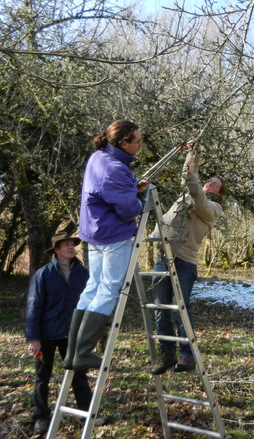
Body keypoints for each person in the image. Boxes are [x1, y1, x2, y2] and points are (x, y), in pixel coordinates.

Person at [64, 120, 147, 372]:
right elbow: (127, 208)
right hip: (113, 235)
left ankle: (72, 353)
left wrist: (131, 187)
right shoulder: (115, 168)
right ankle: (84, 352)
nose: (140, 145)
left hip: (95, 233)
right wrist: (141, 203)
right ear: (124, 143)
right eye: (137, 141)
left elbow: (108, 191)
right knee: (109, 290)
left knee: (92, 288)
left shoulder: (98, 158)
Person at [150, 144, 225, 374]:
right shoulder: (186, 196)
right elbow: (188, 176)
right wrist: (194, 153)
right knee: (160, 309)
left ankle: (186, 355)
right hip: (162, 259)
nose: (209, 183)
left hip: (183, 263)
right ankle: (167, 354)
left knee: (182, 309)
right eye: (208, 180)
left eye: (215, 183)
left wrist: (194, 172)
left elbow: (197, 193)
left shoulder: (212, 208)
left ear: (219, 193)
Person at [25, 232, 92, 436]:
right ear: (56, 250)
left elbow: (90, 303)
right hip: (46, 334)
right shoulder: (43, 274)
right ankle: (41, 417)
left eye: (72, 244)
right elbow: (33, 306)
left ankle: (87, 414)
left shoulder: (84, 273)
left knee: (77, 373)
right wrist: (33, 337)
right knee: (42, 376)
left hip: (72, 333)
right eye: (66, 245)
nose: (71, 248)